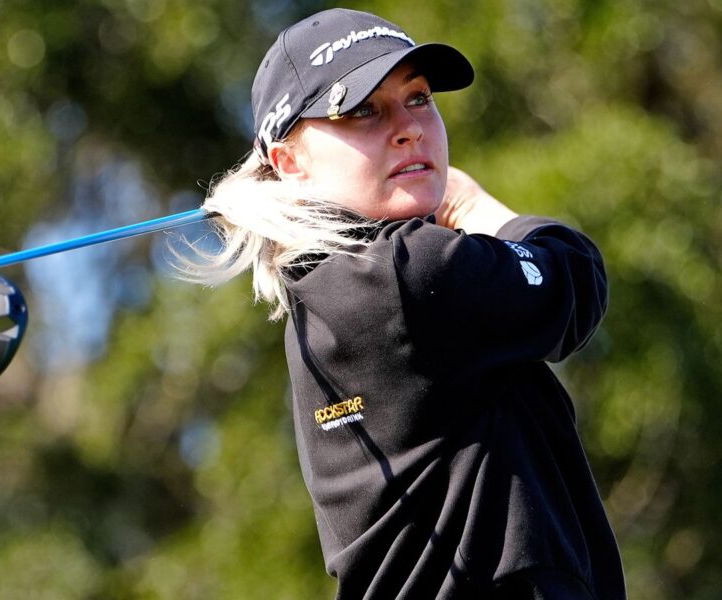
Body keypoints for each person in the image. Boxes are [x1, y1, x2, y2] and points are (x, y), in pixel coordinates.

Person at [182, 7, 627, 600]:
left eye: (418, 97)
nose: (408, 126)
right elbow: (574, 273)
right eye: (362, 109)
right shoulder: (408, 275)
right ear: (289, 164)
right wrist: (472, 209)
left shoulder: (326, 293)